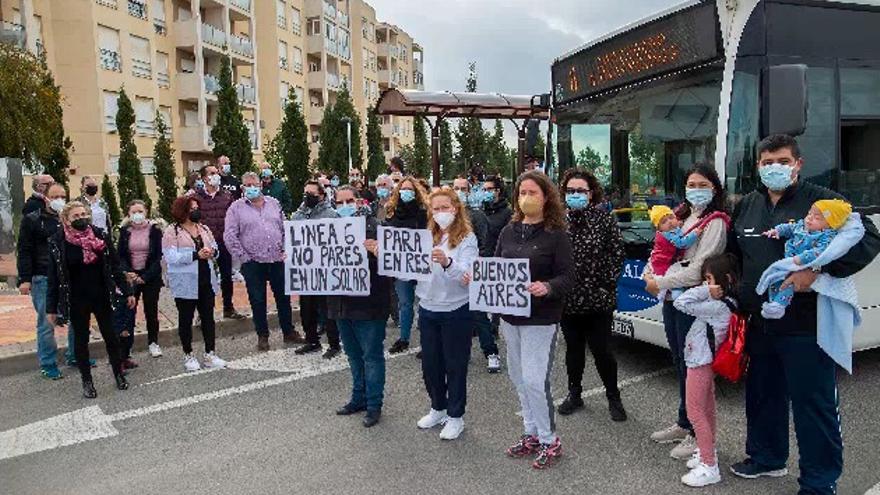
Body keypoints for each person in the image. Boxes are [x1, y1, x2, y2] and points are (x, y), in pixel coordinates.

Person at [727, 134, 879, 494]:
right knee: (763, 395)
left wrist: (819, 273)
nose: (773, 168)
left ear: (798, 164)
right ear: (757, 167)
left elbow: (868, 238)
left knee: (814, 405)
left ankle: (819, 481)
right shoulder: (748, 204)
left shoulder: (824, 201)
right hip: (760, 321)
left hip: (807, 326)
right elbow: (736, 255)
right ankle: (767, 458)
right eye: (766, 162)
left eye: (781, 160)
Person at [643, 164, 730, 461]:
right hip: (672, 300)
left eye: (702, 184)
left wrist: (659, 282)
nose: (695, 189)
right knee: (681, 363)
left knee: (697, 370)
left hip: (693, 301)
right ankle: (685, 422)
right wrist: (649, 276)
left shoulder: (714, 222)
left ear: (714, 188)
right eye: (691, 183)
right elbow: (660, 253)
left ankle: (698, 434)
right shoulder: (682, 215)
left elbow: (698, 270)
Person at [497, 171, 575, 470]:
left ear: (546, 197)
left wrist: (548, 287)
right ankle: (530, 432)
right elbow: (495, 266)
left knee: (534, 379)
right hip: (510, 317)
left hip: (540, 318)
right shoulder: (509, 231)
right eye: (521, 193)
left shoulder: (557, 235)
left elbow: (569, 276)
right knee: (518, 377)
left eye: (532, 193)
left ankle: (549, 438)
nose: (526, 198)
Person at [405, 188, 478, 441]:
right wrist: (386, 256)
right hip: (428, 308)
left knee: (455, 364)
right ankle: (438, 407)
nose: (440, 213)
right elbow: (408, 270)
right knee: (431, 365)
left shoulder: (467, 238)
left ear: (455, 208)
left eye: (444, 208)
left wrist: (447, 262)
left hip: (456, 309)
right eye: (435, 209)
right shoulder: (426, 236)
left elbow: (467, 277)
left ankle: (456, 416)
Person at [557, 168, 627, 422]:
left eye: (581, 191)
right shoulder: (558, 221)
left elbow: (616, 254)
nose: (575, 195)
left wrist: (604, 285)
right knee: (573, 351)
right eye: (571, 191)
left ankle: (613, 396)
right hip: (568, 301)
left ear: (591, 193)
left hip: (598, 300)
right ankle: (574, 393)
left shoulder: (604, 219)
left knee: (603, 351)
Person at [46, 201, 134, 398]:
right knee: (81, 341)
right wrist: (51, 308)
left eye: (83, 214)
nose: (81, 218)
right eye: (76, 216)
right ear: (66, 220)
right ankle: (87, 381)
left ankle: (118, 374)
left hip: (101, 295)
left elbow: (115, 266)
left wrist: (127, 291)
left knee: (111, 336)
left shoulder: (100, 235)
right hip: (76, 298)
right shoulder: (57, 242)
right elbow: (53, 277)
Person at [672, 253, 739, 487]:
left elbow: (681, 302)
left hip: (699, 361)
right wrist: (708, 289)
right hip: (705, 360)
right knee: (707, 408)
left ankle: (709, 466)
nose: (705, 284)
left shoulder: (717, 305)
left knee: (695, 413)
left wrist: (704, 291)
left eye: (709, 279)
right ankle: (706, 450)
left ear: (725, 279)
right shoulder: (728, 304)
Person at [332, 186, 391, 427]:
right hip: (340, 303)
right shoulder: (328, 230)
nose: (345, 205)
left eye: (349, 200)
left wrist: (378, 251)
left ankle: (374, 404)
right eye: (340, 202)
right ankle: (359, 398)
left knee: (371, 355)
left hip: (370, 303)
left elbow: (394, 263)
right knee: (353, 355)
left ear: (358, 202)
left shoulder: (376, 227)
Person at [225, 172, 304, 351]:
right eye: (247, 185)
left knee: (283, 298)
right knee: (257, 299)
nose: (251, 187)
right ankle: (263, 335)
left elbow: (284, 227)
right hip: (253, 262)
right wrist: (244, 258)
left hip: (276, 259)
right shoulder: (235, 208)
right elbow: (230, 235)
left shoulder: (274, 203)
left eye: (254, 184)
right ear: (242, 188)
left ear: (261, 185)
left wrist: (286, 249)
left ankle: (289, 331)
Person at [17, 183, 77, 379]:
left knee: (77, 317)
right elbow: (24, 250)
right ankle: (48, 363)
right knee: (46, 322)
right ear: (46, 197)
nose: (60, 199)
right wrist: (25, 279)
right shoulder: (33, 220)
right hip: (43, 277)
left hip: (70, 276)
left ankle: (75, 355)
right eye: (55, 196)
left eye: (63, 196)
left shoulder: (69, 220)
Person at [162, 196, 227, 371]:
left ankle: (210, 354)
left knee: (208, 318)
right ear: (182, 211)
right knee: (186, 319)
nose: (196, 211)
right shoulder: (172, 231)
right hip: (185, 282)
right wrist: (195, 255)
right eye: (192, 208)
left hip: (206, 279)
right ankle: (188, 354)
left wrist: (211, 251)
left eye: (197, 207)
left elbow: (216, 249)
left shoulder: (203, 228)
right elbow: (170, 257)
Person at [759, 199, 852, 319]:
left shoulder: (826, 236)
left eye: (817, 218)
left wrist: (802, 258)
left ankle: (779, 305)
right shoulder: (801, 225)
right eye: (809, 214)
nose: (809, 218)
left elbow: (819, 252)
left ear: (830, 224)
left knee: (788, 284)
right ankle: (773, 301)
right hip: (790, 260)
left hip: (804, 265)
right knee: (775, 279)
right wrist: (776, 231)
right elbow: (788, 228)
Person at [452, 176, 500, 373]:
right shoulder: (447, 216)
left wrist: (475, 267)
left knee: (479, 316)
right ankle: (460, 355)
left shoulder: (477, 216)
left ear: (469, 192)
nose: (459, 192)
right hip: (452, 274)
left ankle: (491, 353)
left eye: (463, 188)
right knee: (456, 318)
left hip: (473, 274)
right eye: (456, 188)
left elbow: (485, 244)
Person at [291, 180, 342, 359]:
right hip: (306, 270)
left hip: (325, 269)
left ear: (321, 196)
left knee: (327, 308)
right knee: (307, 308)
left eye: (311, 194)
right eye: (305, 193)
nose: (307, 197)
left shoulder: (331, 215)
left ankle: (334, 343)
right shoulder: (298, 215)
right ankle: (311, 340)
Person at [383, 176, 429, 354]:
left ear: (416, 192)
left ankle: (427, 342)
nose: (406, 192)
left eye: (410, 189)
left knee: (424, 303)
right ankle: (404, 338)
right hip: (401, 267)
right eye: (403, 189)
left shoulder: (424, 214)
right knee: (405, 304)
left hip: (420, 265)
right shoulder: (392, 213)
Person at [115, 200, 164, 365]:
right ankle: (126, 349)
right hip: (131, 277)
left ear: (146, 212)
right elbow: (120, 255)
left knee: (151, 311)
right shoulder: (124, 231)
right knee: (128, 313)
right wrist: (129, 273)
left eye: (140, 211)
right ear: (128, 214)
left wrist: (145, 276)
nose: (137, 215)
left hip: (150, 277)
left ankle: (153, 342)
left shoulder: (155, 231)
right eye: (133, 212)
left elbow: (159, 257)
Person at [197, 164, 244, 320]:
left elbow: (233, 219)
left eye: (217, 173)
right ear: (204, 178)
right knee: (204, 278)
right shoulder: (196, 198)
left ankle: (228, 307)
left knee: (226, 275)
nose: (216, 175)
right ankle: (203, 312)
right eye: (212, 173)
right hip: (204, 243)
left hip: (223, 241)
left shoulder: (226, 196)